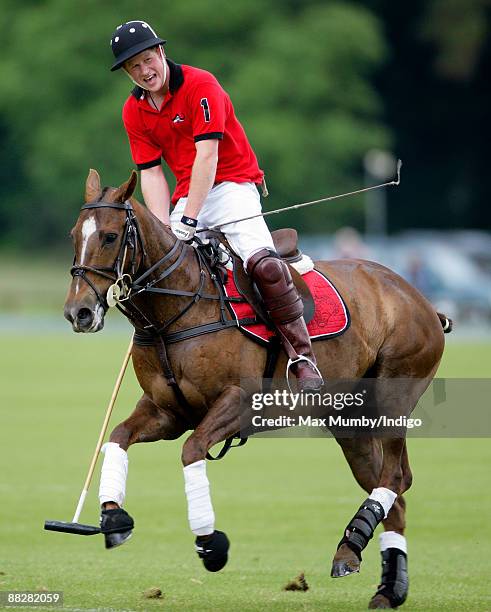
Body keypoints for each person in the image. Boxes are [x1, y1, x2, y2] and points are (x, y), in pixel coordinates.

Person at [109, 20, 322, 392]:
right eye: (134, 67)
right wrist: (163, 229)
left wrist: (189, 219)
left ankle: (303, 358)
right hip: (187, 194)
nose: (144, 71)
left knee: (264, 266)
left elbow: (207, 155)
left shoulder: (200, 85)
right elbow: (152, 174)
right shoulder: (134, 110)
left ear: (160, 51)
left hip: (233, 184)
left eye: (147, 60)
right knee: (159, 271)